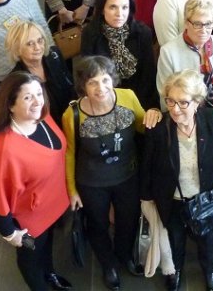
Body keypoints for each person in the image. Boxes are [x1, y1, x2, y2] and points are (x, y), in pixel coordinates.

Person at [62, 56, 161, 289]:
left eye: (105, 80)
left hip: (127, 175)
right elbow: (69, 154)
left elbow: (143, 126)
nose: (101, 88)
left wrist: (154, 113)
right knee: (97, 224)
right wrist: (72, 190)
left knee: (127, 221)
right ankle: (108, 265)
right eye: (93, 82)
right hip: (92, 181)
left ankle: (123, 255)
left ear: (113, 79)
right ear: (83, 86)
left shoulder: (127, 97)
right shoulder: (73, 115)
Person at [140, 69, 213, 291]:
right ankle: (176, 270)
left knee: (208, 239)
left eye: (183, 103)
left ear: (197, 101)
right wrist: (146, 198)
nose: (175, 109)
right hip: (171, 198)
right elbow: (147, 164)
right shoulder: (159, 128)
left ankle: (209, 270)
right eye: (170, 101)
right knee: (175, 238)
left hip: (204, 196)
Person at [0, 72, 71, 291]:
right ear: (10, 105)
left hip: (52, 203)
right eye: (28, 97)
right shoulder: (4, 148)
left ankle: (50, 274)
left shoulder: (43, 116)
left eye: (39, 93)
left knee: (47, 242)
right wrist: (9, 232)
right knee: (30, 256)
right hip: (29, 219)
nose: (38, 101)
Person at [156, 0, 213, 134]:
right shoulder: (168, 52)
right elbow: (165, 96)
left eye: (208, 24)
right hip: (184, 127)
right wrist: (187, 130)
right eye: (197, 24)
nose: (204, 30)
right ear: (186, 23)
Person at [80, 0, 159, 110]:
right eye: (113, 7)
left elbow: (148, 75)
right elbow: (88, 74)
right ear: (102, 9)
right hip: (103, 98)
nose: (119, 14)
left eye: (124, 8)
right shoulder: (90, 34)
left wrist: (144, 108)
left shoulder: (142, 33)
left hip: (139, 98)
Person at [6, 21, 73, 121]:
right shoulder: (16, 80)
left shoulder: (54, 55)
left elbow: (70, 85)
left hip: (71, 118)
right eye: (29, 44)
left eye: (40, 40)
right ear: (17, 49)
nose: (37, 47)